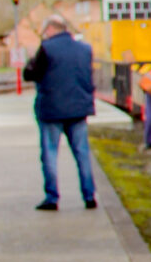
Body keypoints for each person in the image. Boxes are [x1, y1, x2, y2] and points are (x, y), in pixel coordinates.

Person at [21, 13, 98, 211]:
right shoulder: (85, 49)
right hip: (78, 110)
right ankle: (89, 196)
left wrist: (30, 63)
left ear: (50, 30)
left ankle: (52, 197)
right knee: (82, 153)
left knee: (49, 154)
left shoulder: (46, 49)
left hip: (51, 111)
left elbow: (31, 74)